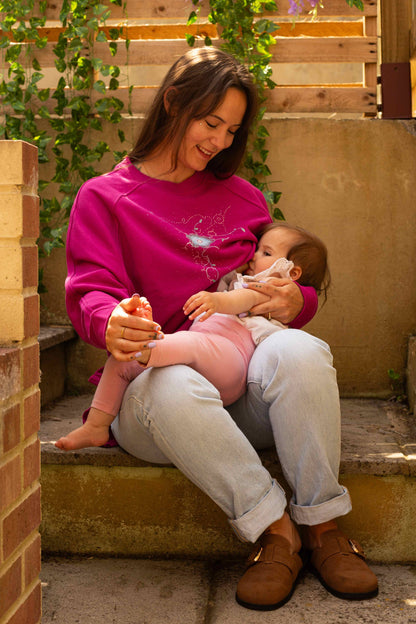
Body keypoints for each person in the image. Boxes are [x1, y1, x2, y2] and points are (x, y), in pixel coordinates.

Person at [64, 46, 378, 610]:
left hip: (243, 396)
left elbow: (287, 286)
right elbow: (91, 288)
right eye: (210, 123)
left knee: (301, 350)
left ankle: (325, 528)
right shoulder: (106, 197)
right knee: (172, 380)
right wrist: (109, 320)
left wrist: (293, 299)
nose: (219, 142)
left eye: (231, 130)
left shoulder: (243, 197)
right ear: (173, 101)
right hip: (160, 411)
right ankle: (275, 532)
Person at [56, 222, 330, 451]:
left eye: (265, 252)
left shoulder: (266, 289)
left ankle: (149, 346)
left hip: (229, 359)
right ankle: (96, 425)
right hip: (206, 352)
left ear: (291, 272)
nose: (253, 256)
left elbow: (243, 299)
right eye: (258, 249)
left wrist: (216, 301)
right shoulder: (241, 278)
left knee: (178, 345)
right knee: (122, 360)